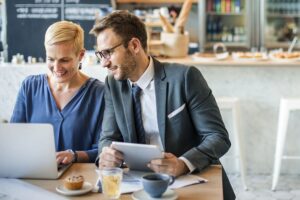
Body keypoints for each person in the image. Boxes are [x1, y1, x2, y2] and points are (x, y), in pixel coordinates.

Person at [91, 10, 235, 200]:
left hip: (192, 181)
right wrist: (105, 155)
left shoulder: (184, 78)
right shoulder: (113, 84)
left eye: (108, 52)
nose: (104, 63)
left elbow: (218, 137)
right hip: (138, 186)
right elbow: (107, 138)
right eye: (100, 54)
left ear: (134, 45)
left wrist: (183, 163)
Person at [11, 21, 105, 164]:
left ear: (80, 55)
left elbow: (104, 150)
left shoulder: (99, 93)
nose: (56, 68)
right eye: (51, 59)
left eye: (64, 60)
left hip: (80, 181)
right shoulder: (30, 87)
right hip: (33, 177)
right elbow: (14, 139)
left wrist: (74, 156)